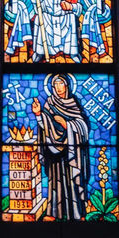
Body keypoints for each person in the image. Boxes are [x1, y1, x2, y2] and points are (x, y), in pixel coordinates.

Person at [32, 73, 90, 220]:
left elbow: (84, 127)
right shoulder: (49, 103)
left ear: (67, 85)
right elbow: (44, 127)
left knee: (73, 182)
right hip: (54, 153)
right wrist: (39, 114)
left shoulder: (74, 103)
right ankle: (53, 213)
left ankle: (77, 213)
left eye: (61, 83)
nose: (58, 88)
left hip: (72, 152)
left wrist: (66, 124)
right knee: (55, 183)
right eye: (55, 84)